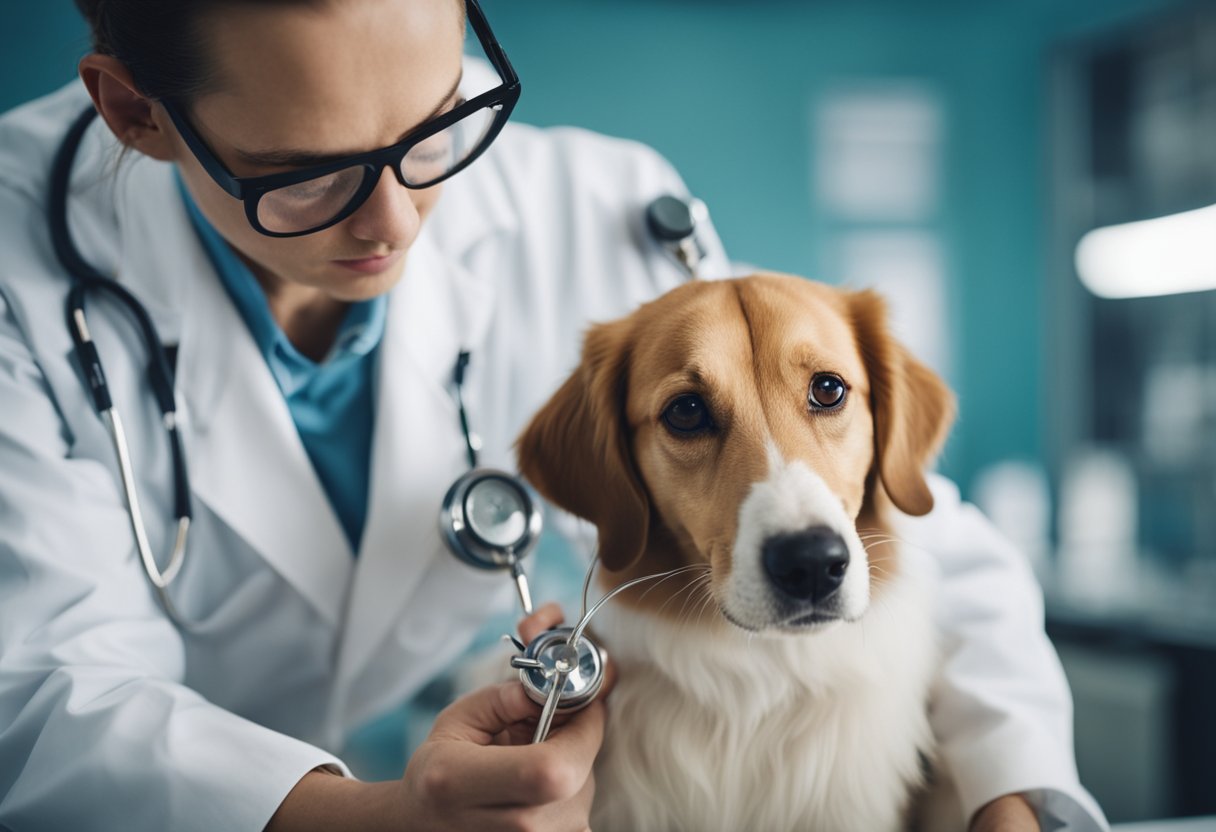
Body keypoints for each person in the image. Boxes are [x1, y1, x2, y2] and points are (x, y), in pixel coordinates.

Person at [0, 1, 1107, 830]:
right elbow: (47, 691)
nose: (396, 219)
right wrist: (384, 820)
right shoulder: (19, 259)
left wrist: (1015, 788)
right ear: (136, 111)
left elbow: (891, 525)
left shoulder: (603, 205)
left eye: (436, 121)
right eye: (309, 171)